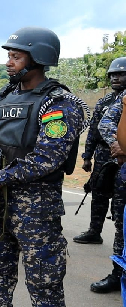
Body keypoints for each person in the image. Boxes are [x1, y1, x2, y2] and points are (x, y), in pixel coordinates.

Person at [0, 27, 87, 307]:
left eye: (15, 57)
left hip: (35, 209)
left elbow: (49, 157)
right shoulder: (4, 96)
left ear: (39, 58)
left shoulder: (59, 102)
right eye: (8, 56)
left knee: (44, 280)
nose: (8, 62)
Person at [75, 57, 126, 245]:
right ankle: (94, 231)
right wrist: (87, 156)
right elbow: (94, 130)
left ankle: (120, 239)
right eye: (112, 75)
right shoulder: (104, 101)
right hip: (104, 155)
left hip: (123, 157)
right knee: (98, 193)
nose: (115, 78)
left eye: (121, 74)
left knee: (120, 199)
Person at [95, 57, 126, 294]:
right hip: (123, 172)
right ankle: (118, 274)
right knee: (122, 225)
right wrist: (119, 145)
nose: (116, 77)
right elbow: (105, 124)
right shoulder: (122, 101)